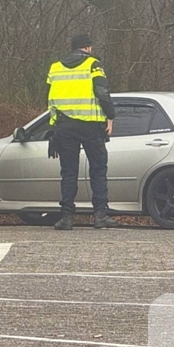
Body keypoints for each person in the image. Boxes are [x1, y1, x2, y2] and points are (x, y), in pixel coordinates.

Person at [46, 33, 116, 230]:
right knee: (98, 170)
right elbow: (102, 93)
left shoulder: (55, 67)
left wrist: (54, 126)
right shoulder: (93, 65)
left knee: (68, 172)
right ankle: (100, 215)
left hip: (65, 126)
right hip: (91, 126)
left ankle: (67, 217)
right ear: (87, 48)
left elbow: (50, 99)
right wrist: (110, 116)